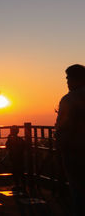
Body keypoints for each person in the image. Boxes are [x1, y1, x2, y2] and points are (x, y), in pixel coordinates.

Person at [55, 64, 85, 216]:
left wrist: (60, 144)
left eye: (68, 78)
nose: (66, 81)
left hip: (75, 152)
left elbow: (63, 128)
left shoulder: (69, 99)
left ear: (75, 79)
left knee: (78, 190)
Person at [6, 126, 25, 191]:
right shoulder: (20, 139)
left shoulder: (10, 139)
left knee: (15, 172)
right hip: (20, 158)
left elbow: (7, 146)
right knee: (21, 172)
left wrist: (8, 138)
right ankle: (23, 185)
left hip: (13, 158)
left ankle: (17, 185)